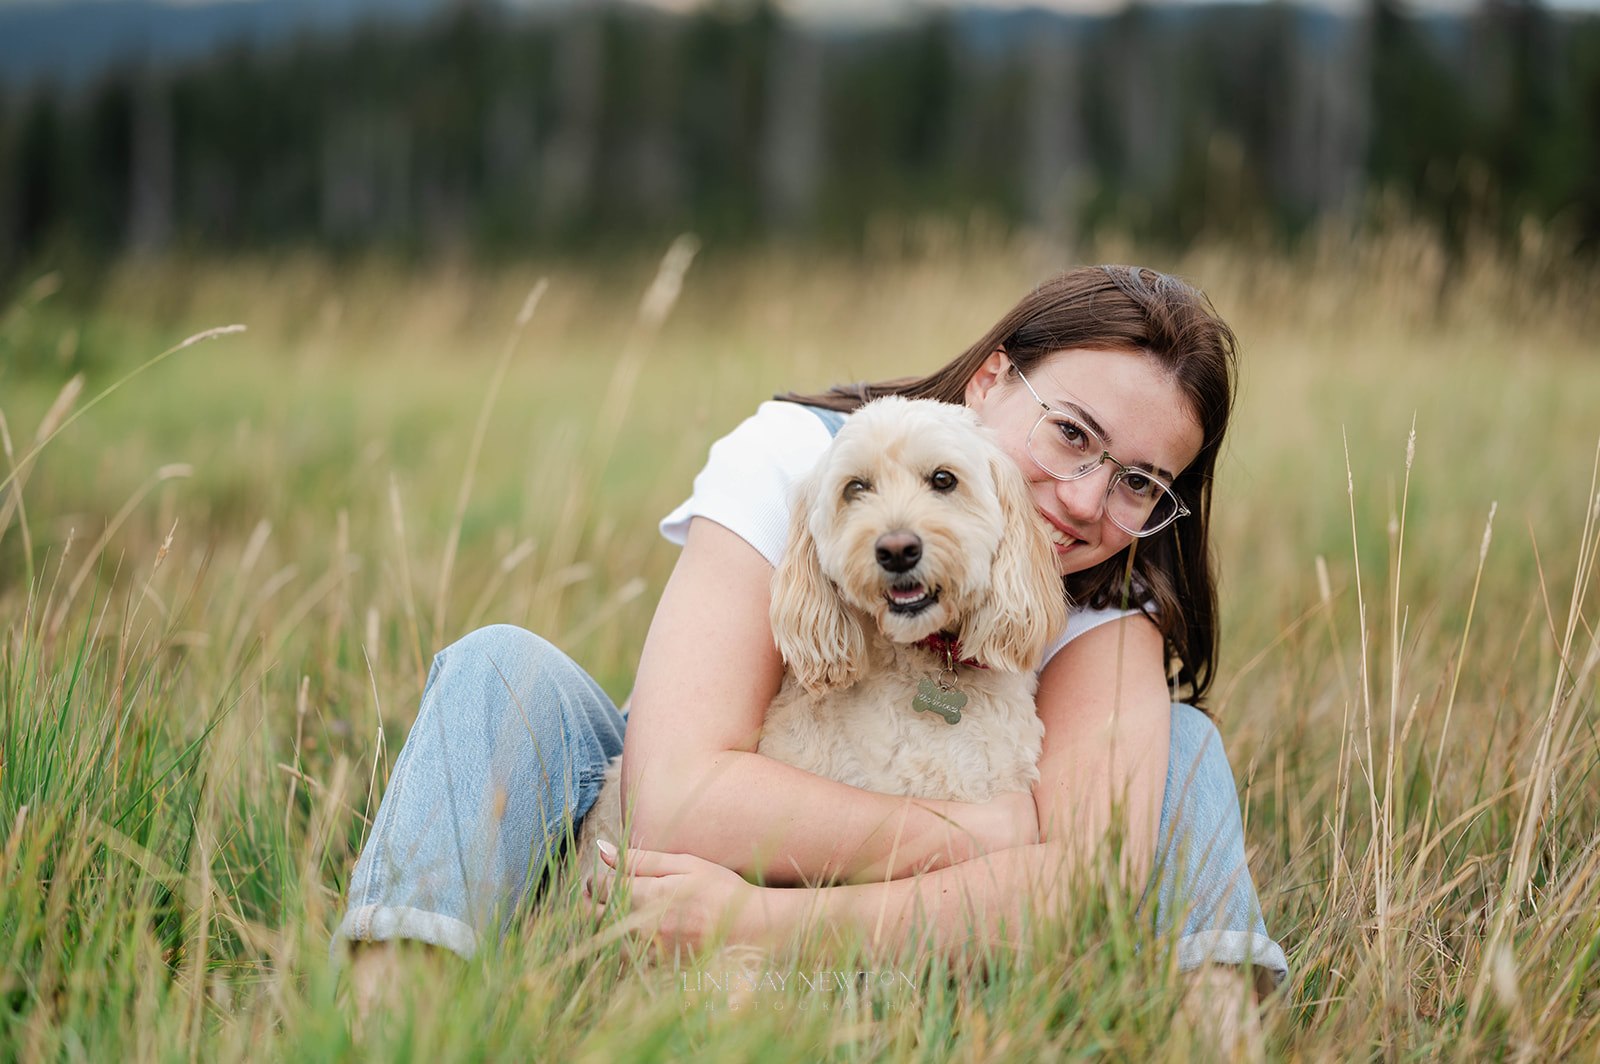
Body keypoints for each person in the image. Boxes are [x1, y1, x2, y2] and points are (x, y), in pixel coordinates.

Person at [335, 265, 1288, 1015]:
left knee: (1183, 747)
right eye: (1072, 435)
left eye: (1139, 483)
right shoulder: (802, 455)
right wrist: (973, 836)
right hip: (644, 830)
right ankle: (396, 1012)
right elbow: (670, 796)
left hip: (795, 910)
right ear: (995, 379)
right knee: (502, 669)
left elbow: (1084, 890)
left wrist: (760, 922)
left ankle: (1217, 1028)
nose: (1085, 502)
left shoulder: (1108, 591)